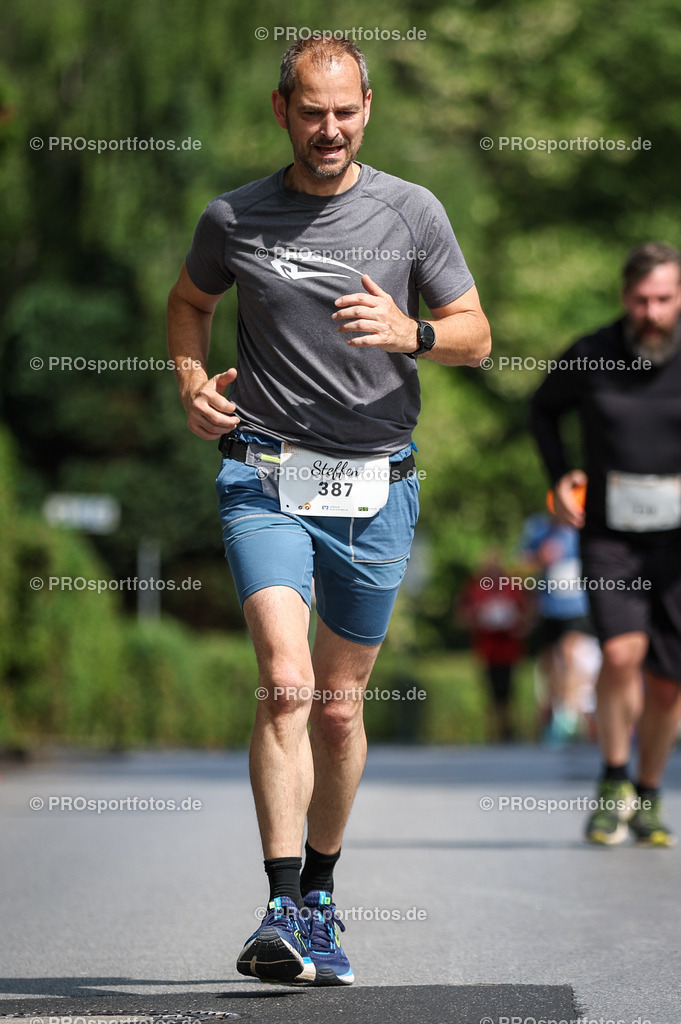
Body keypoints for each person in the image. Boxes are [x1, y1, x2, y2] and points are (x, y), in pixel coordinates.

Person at [166, 37, 490, 985]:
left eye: (345, 111)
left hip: (376, 483)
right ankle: (275, 907)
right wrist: (190, 380)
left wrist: (413, 331)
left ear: (368, 107)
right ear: (282, 111)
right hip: (264, 473)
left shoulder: (411, 211)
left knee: (340, 713)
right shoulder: (235, 215)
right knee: (284, 681)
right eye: (311, 111)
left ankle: (318, 894)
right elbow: (189, 302)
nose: (329, 129)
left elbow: (475, 336)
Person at [530, 242, 681, 847]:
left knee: (670, 681)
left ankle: (648, 794)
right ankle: (614, 779)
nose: (652, 312)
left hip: (677, 544)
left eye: (665, 300)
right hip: (610, 535)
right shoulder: (591, 354)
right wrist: (560, 476)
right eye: (642, 300)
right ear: (625, 298)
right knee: (620, 655)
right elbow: (541, 410)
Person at [519, 512, 598, 745]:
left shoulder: (588, 528)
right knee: (550, 662)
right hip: (549, 607)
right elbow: (520, 564)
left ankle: (567, 714)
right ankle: (556, 711)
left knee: (570, 655)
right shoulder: (538, 528)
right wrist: (539, 558)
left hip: (578, 607)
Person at [457, 552, 529, 742]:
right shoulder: (476, 587)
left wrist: (518, 623)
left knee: (508, 689)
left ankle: (508, 728)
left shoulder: (511, 586)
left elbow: (527, 612)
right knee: (491, 690)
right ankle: (495, 730)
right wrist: (479, 619)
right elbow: (463, 614)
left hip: (509, 648)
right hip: (487, 648)